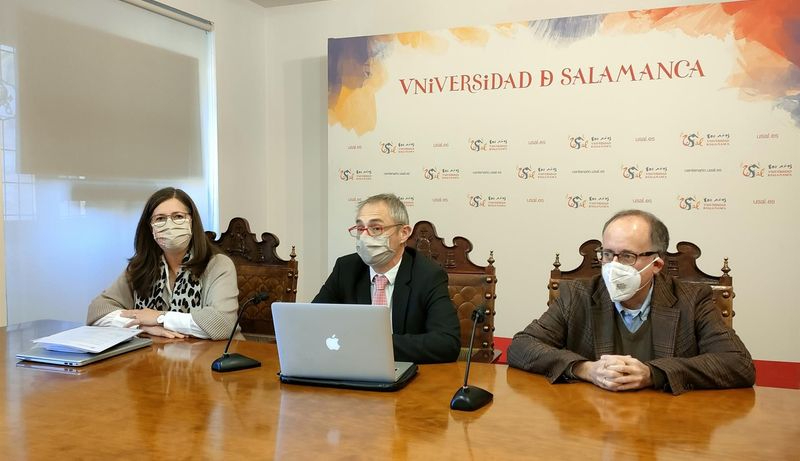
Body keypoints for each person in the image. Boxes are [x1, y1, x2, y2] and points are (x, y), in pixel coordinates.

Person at [507, 209, 755, 394]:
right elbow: (521, 347)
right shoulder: (578, 294)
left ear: (656, 264)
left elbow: (739, 364)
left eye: (626, 256)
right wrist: (585, 369)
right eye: (607, 254)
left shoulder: (692, 300)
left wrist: (652, 374)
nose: (613, 265)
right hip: (591, 422)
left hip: (666, 426)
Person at [312, 193, 461, 363]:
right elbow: (314, 322)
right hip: (351, 367)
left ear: (404, 233)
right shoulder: (345, 268)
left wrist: (372, 344)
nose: (365, 237)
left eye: (376, 228)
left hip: (403, 374)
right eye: (361, 229)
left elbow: (447, 344)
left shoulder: (428, 275)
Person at [87, 187, 239, 340]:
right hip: (158, 357)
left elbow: (222, 324)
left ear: (192, 222)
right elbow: (97, 311)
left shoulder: (218, 265)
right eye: (160, 219)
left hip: (211, 357)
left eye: (178, 216)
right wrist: (140, 325)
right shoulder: (141, 266)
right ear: (150, 228)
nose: (169, 224)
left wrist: (160, 318)